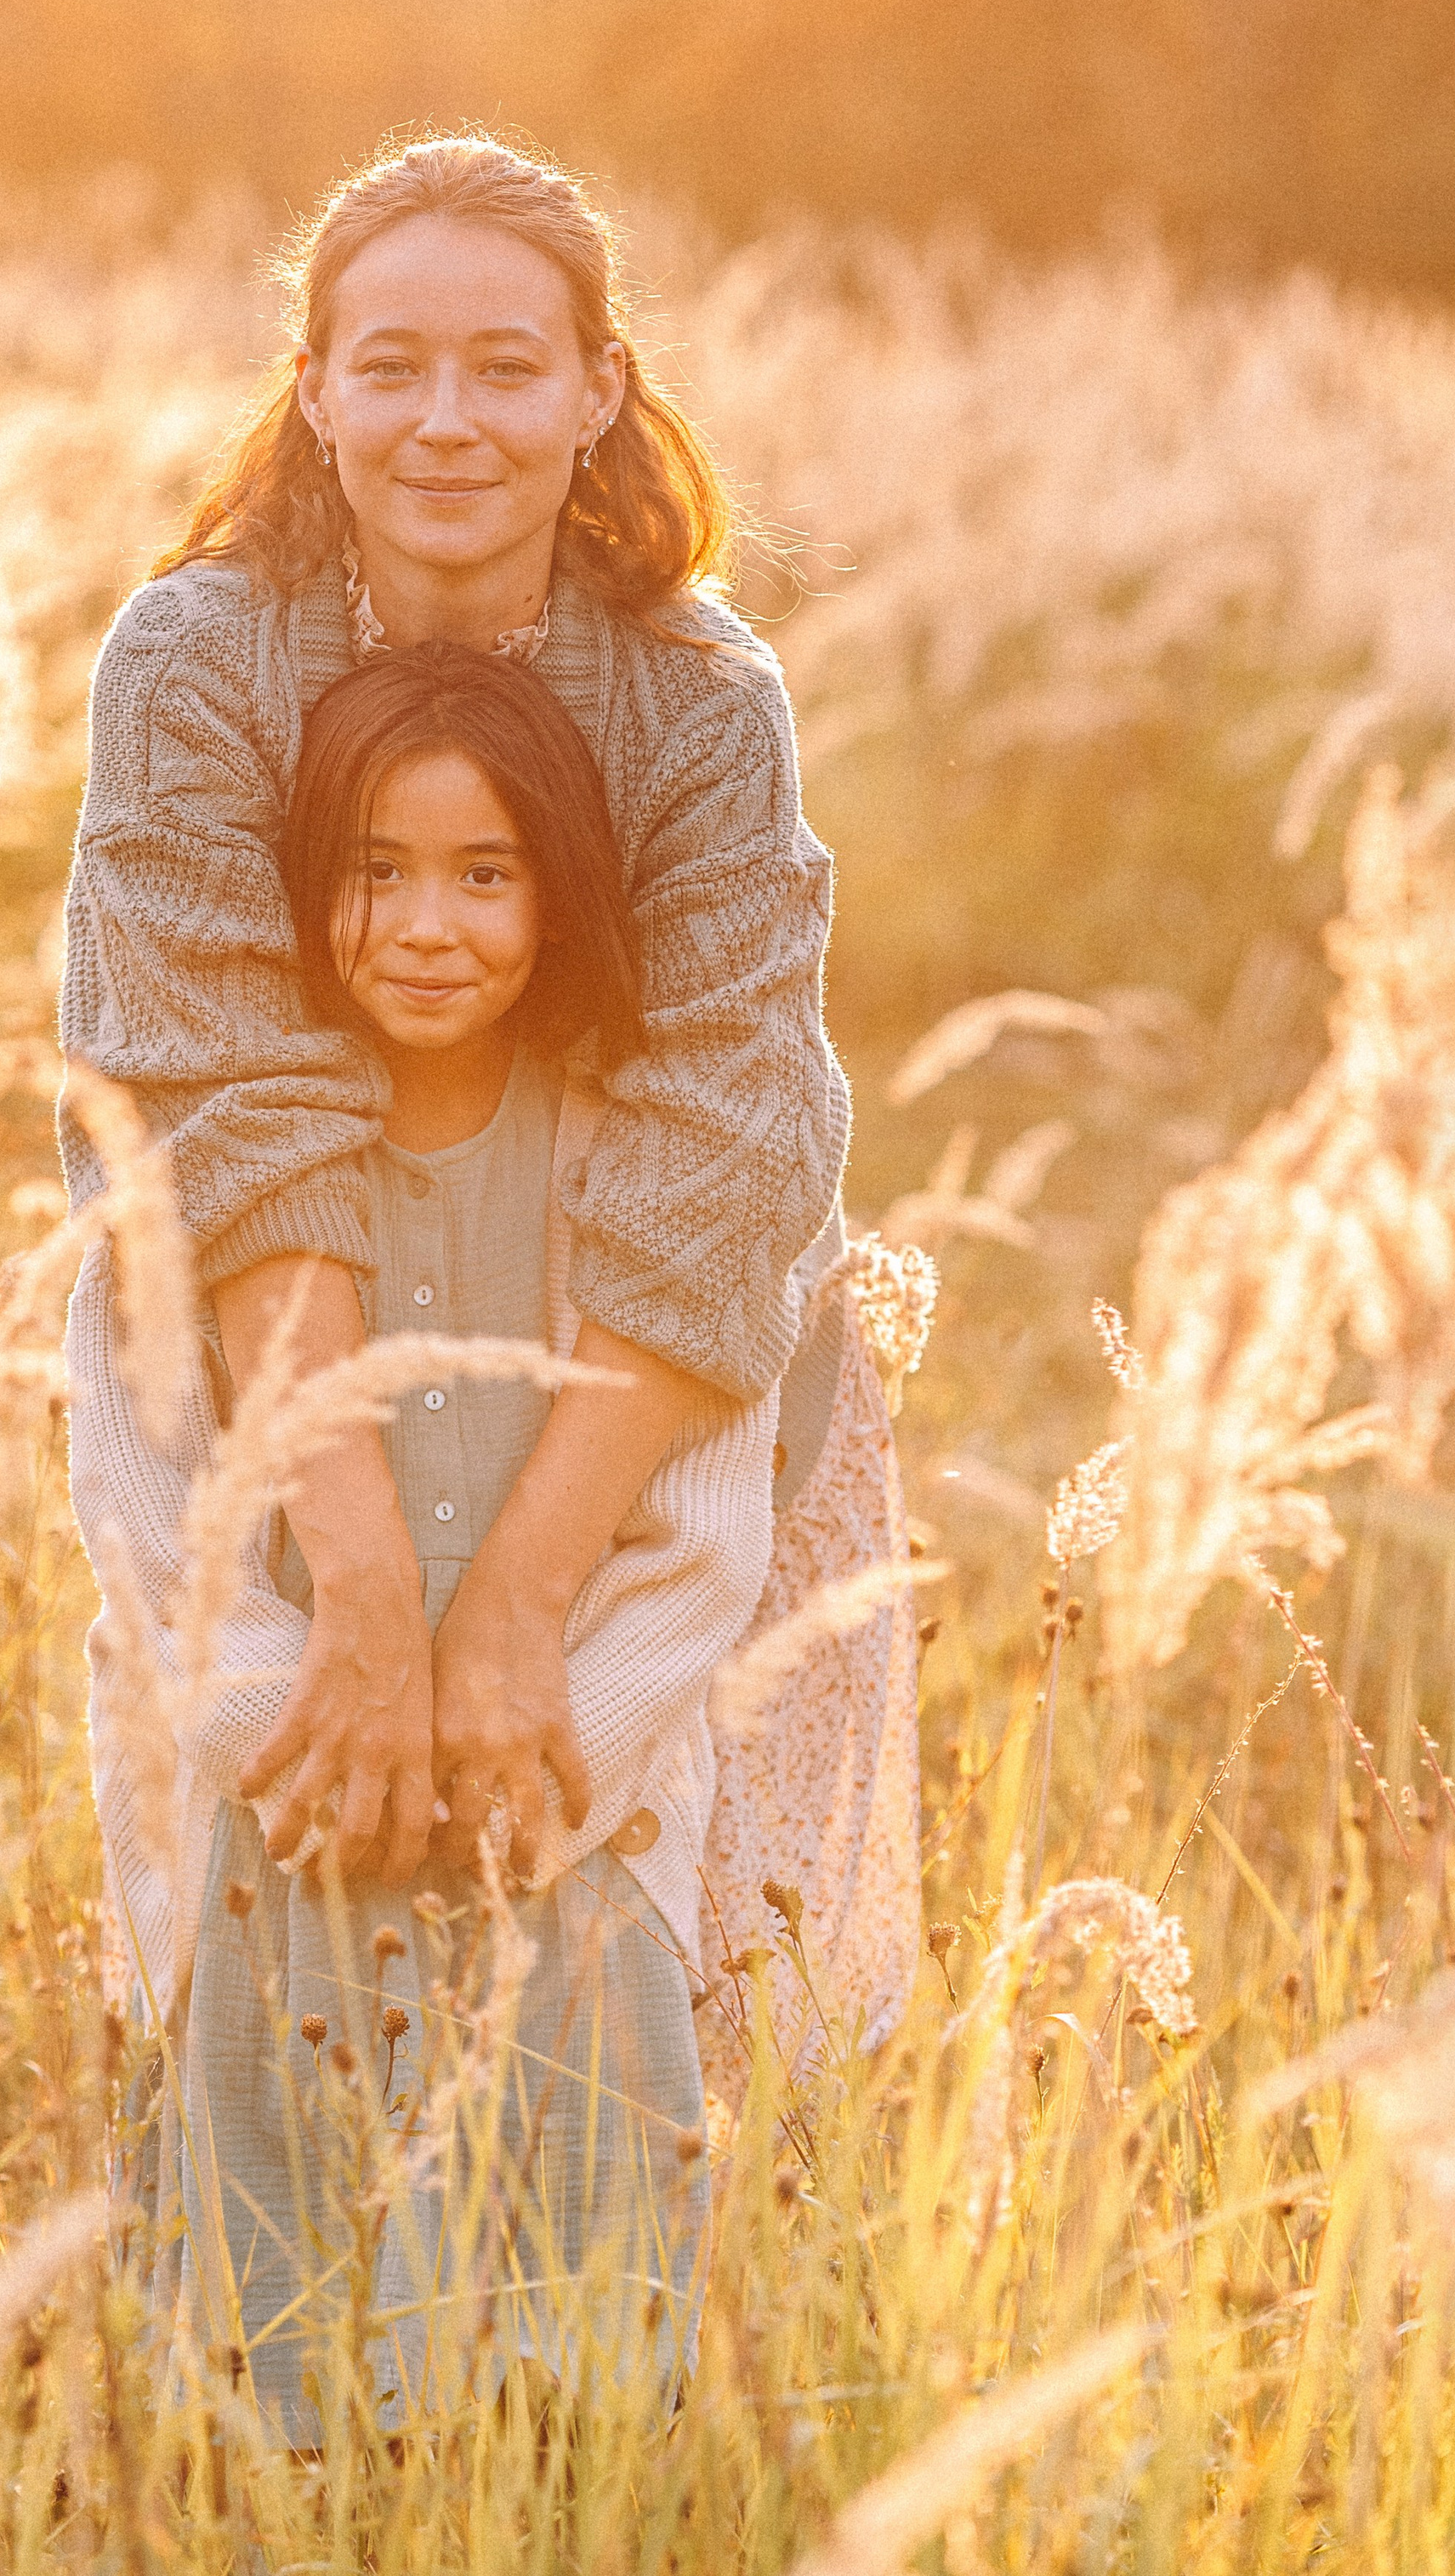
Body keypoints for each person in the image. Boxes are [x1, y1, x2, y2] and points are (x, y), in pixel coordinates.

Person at [60, 132, 860, 1917]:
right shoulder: (192, 663)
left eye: (505, 368)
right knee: (286, 1854)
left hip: (617, 1331)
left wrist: (507, 1603)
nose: (446, 419)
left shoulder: (697, 696)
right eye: (391, 366)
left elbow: (732, 1131)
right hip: (267, 1312)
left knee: (606, 1887)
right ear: (314, 394)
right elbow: (213, 1108)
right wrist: (356, 1591)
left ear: (596, 393)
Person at [67, 641, 778, 2430]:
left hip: (559, 1839)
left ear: (561, 893)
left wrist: (553, 1759)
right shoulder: (221, 1186)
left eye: (484, 873)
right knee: (267, 2317)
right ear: (302, 889)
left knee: (556, 2334)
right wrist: (287, 1740)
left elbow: (701, 1516)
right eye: (372, 871)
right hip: (280, 1843)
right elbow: (150, 1507)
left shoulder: (636, 1170)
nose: (424, 924)